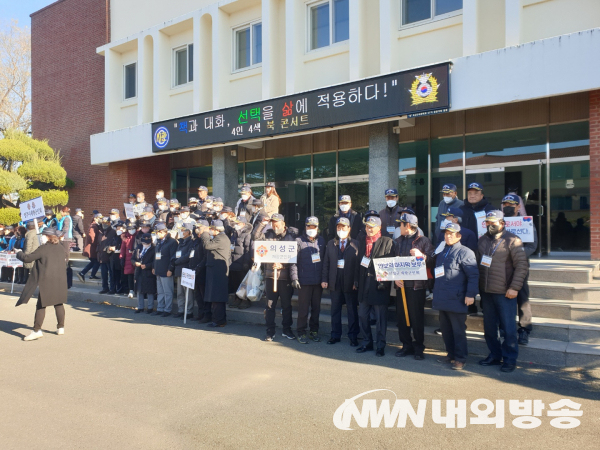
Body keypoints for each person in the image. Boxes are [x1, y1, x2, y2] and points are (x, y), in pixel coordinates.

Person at [477, 210, 528, 373]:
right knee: (490, 328)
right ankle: (494, 355)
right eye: (487, 222)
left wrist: (514, 288)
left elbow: (522, 266)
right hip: (487, 291)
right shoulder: (482, 240)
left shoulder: (513, 240)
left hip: (505, 292)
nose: (490, 225)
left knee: (508, 328)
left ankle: (510, 359)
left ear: (502, 223)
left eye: (494, 222)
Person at [430, 223, 479, 370]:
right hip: (442, 297)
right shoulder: (443, 251)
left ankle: (460, 358)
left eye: (451, 234)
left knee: (458, 331)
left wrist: (471, 295)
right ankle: (450, 355)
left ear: (459, 236)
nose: (448, 236)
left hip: (457, 298)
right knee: (446, 330)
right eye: (446, 233)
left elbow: (473, 276)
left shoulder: (466, 252)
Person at [16, 228, 68, 341]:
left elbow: (27, 258)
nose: (41, 237)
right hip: (60, 280)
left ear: (48, 236)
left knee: (41, 305)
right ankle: (61, 327)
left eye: (43, 235)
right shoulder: (60, 247)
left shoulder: (44, 248)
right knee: (58, 303)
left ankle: (36, 330)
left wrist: (18, 253)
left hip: (47, 280)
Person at [394, 213, 434, 360]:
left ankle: (419, 347)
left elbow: (432, 261)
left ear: (408, 226)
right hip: (402, 286)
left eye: (401, 224)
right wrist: (395, 279)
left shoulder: (424, 241)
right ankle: (406, 345)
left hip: (417, 287)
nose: (399, 227)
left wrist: (421, 256)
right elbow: (394, 264)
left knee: (416, 318)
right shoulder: (398, 241)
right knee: (402, 318)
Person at [253, 213, 299, 341]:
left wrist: (282, 264)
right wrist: (262, 223)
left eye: (277, 223)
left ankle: (287, 329)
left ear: (283, 223)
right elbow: (255, 237)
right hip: (270, 276)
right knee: (270, 305)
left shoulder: (291, 236)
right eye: (273, 223)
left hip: (285, 277)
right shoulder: (267, 235)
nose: (275, 225)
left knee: (286, 305)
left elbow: (294, 255)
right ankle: (270, 331)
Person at [355, 216, 395, 356]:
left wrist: (384, 282)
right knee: (363, 315)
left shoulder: (387, 242)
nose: (369, 229)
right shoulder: (362, 241)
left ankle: (380, 345)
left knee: (380, 318)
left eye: (372, 226)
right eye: (367, 226)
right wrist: (356, 281)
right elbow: (358, 263)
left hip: (379, 286)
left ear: (379, 227)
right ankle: (367, 342)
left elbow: (389, 264)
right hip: (364, 284)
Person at [502, 194, 537, 345]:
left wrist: (515, 255)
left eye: (511, 204)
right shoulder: (498, 223)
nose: (508, 207)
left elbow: (532, 246)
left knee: (522, 297)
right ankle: (505, 328)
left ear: (518, 207)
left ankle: (524, 329)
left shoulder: (526, 223)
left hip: (520, 266)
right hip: (501, 268)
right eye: (505, 204)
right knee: (503, 298)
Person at [322, 217, 360, 346]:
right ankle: (335, 335)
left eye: (344, 227)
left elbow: (358, 265)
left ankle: (353, 336)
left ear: (349, 229)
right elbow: (326, 263)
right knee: (335, 310)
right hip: (335, 281)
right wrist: (324, 279)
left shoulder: (356, 244)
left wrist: (356, 281)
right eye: (339, 227)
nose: (341, 230)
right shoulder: (331, 244)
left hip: (350, 282)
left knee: (352, 310)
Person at [291, 216, 326, 344]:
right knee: (303, 309)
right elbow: (293, 262)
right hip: (304, 281)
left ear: (317, 228)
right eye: (309, 226)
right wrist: (294, 278)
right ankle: (301, 331)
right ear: (305, 227)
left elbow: (325, 262)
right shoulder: (298, 241)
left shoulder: (322, 241)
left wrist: (324, 278)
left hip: (317, 282)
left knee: (316, 309)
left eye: (314, 227)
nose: (311, 229)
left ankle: (314, 331)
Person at [200, 220, 232, 327]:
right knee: (216, 297)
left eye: (211, 229)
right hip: (216, 270)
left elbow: (207, 246)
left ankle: (219, 320)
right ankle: (218, 319)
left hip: (219, 271)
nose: (209, 231)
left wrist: (204, 233)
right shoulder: (220, 238)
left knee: (218, 297)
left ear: (216, 229)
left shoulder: (221, 238)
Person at [227, 216, 253, 309]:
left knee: (244, 282)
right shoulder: (233, 233)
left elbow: (247, 249)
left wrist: (246, 262)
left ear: (243, 224)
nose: (236, 225)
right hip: (233, 261)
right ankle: (237, 298)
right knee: (235, 282)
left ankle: (245, 300)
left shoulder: (247, 234)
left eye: (238, 223)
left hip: (241, 261)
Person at [152, 222, 177, 317]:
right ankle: (160, 308)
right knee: (160, 292)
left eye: (158, 232)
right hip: (158, 269)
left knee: (168, 291)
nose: (157, 234)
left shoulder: (172, 242)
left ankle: (167, 309)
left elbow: (173, 257)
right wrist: (154, 267)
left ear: (163, 232)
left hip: (166, 270)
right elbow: (156, 255)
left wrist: (170, 269)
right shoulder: (158, 241)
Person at [173, 223, 195, 319]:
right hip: (179, 269)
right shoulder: (181, 242)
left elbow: (188, 255)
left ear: (188, 232)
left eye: (183, 230)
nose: (181, 232)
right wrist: (174, 260)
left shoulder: (191, 242)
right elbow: (176, 254)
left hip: (186, 269)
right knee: (180, 292)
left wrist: (177, 261)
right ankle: (181, 310)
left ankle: (188, 311)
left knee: (188, 293)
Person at [132, 233, 157, 314]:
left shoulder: (154, 248)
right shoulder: (139, 247)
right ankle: (140, 307)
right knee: (139, 290)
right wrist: (135, 263)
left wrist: (147, 266)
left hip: (148, 272)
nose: (145, 244)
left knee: (150, 291)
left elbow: (155, 261)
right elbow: (132, 258)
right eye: (144, 243)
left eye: (147, 243)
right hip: (139, 271)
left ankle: (150, 307)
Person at [191, 220, 210, 322]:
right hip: (195, 271)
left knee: (203, 294)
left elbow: (205, 256)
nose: (197, 229)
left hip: (202, 271)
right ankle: (200, 313)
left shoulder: (205, 239)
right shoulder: (196, 240)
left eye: (200, 227)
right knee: (198, 295)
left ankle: (206, 315)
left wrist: (199, 266)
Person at [79, 212, 103, 281]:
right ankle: (84, 273)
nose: (100, 219)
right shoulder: (93, 226)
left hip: (93, 248)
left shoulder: (96, 226)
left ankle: (86, 274)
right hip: (92, 249)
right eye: (99, 218)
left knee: (94, 262)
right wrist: (98, 244)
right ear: (95, 218)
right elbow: (92, 238)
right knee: (96, 262)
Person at [97, 217, 116, 295]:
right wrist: (99, 256)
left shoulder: (113, 232)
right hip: (102, 257)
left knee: (111, 274)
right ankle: (105, 288)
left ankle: (112, 288)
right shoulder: (101, 232)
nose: (105, 224)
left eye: (107, 223)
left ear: (110, 223)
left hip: (110, 256)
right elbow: (99, 245)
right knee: (104, 275)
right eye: (103, 222)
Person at [119, 224, 137, 298]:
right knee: (129, 275)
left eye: (132, 229)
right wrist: (121, 258)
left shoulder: (138, 236)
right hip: (128, 259)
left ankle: (136, 290)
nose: (131, 230)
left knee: (136, 276)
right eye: (129, 229)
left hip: (136, 258)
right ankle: (131, 290)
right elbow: (122, 249)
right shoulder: (126, 238)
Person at [20, 221, 40, 285]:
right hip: (36, 252)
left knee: (30, 269)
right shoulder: (37, 232)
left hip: (31, 253)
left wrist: (26, 255)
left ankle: (31, 282)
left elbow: (28, 245)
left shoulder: (30, 234)